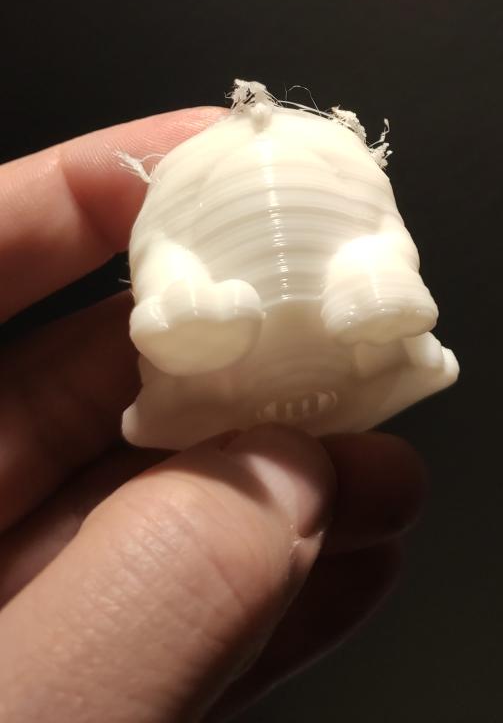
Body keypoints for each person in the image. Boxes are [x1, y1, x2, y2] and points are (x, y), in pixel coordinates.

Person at [0, 107, 427, 721]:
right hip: (235, 312)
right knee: (178, 277)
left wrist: (383, 268)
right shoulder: (210, 180)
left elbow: (382, 226)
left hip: (319, 309)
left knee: (371, 261)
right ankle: (191, 317)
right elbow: (159, 248)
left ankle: (361, 292)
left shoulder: (332, 169)